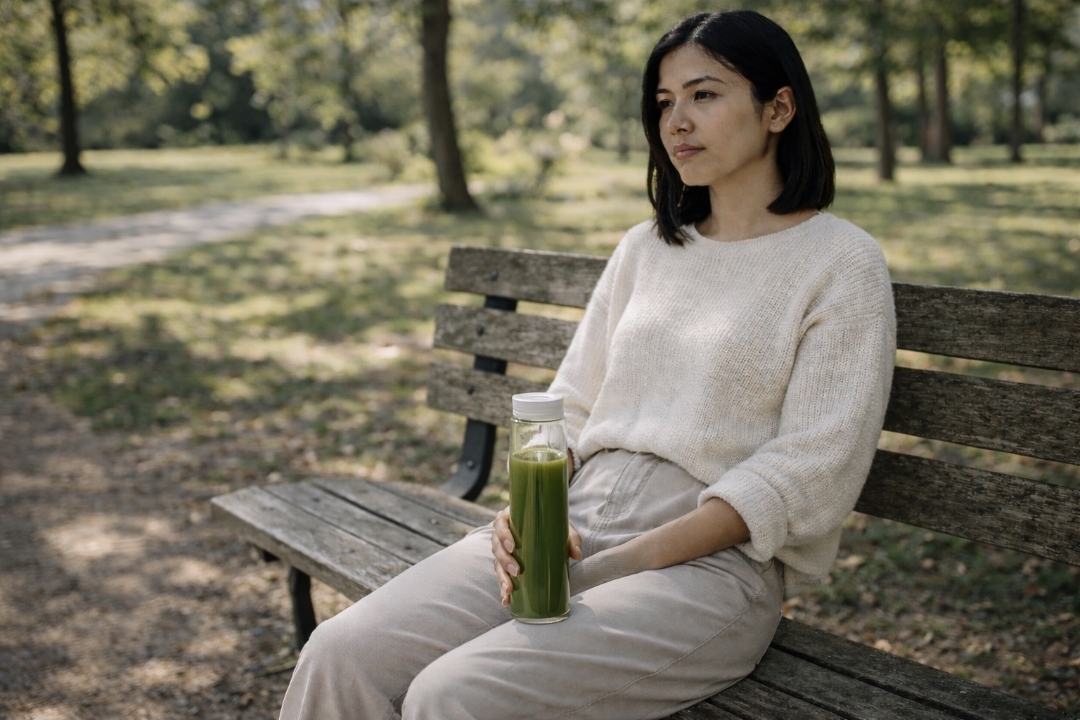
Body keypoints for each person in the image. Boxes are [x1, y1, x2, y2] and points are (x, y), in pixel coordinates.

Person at [278, 9, 895, 720]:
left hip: (709, 562)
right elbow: (569, 404)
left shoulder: (839, 263)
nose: (677, 123)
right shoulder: (647, 248)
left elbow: (811, 467)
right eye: (663, 104)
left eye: (704, 94)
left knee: (455, 696)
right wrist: (523, 514)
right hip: (569, 515)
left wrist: (615, 565)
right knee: (341, 653)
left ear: (779, 106)